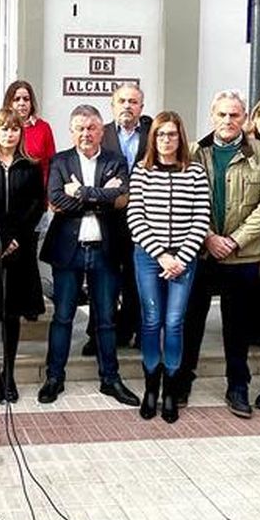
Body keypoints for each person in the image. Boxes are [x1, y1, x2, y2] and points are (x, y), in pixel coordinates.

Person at [175, 91, 260, 417]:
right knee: (190, 321)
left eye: (234, 115)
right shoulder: (194, 151)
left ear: (245, 118)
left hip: (243, 255)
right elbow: (182, 198)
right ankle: (182, 381)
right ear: (212, 116)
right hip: (201, 252)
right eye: (222, 115)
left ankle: (238, 387)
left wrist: (234, 240)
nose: (227, 121)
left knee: (238, 327)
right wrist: (207, 237)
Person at [38, 105, 138, 406]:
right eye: (80, 128)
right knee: (63, 316)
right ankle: (54, 377)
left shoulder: (116, 160)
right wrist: (100, 196)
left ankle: (110, 378)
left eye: (91, 128)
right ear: (72, 131)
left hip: (105, 250)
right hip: (68, 251)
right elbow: (55, 198)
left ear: (101, 131)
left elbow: (122, 195)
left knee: (106, 319)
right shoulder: (60, 160)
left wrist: (80, 192)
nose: (86, 134)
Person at [125, 110, 209, 422]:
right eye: (161, 134)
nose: (166, 140)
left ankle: (171, 390)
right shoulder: (142, 172)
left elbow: (202, 218)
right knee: (151, 320)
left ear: (180, 137)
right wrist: (161, 255)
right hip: (149, 257)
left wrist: (181, 257)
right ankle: (150, 388)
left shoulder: (195, 172)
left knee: (174, 323)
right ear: (153, 138)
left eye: (172, 134)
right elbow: (135, 217)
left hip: (183, 260)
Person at [0, 108, 46, 404]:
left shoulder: (30, 165)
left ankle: (10, 370)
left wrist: (14, 238)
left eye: (14, 129)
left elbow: (36, 205)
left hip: (19, 247)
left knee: (12, 312)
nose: (9, 134)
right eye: (4, 128)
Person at [94, 82, 151, 353]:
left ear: (141, 106)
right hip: (106, 218)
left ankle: (134, 331)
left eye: (133, 101)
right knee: (103, 278)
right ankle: (99, 336)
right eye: (122, 101)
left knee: (136, 278)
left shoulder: (153, 135)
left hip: (144, 218)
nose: (127, 106)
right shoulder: (100, 134)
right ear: (112, 105)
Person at [1, 80, 56, 190]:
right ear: (9, 102)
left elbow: (52, 163)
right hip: (6, 189)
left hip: (38, 190)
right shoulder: (0, 128)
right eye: (17, 99)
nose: (22, 103)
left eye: (26, 99)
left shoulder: (43, 127)